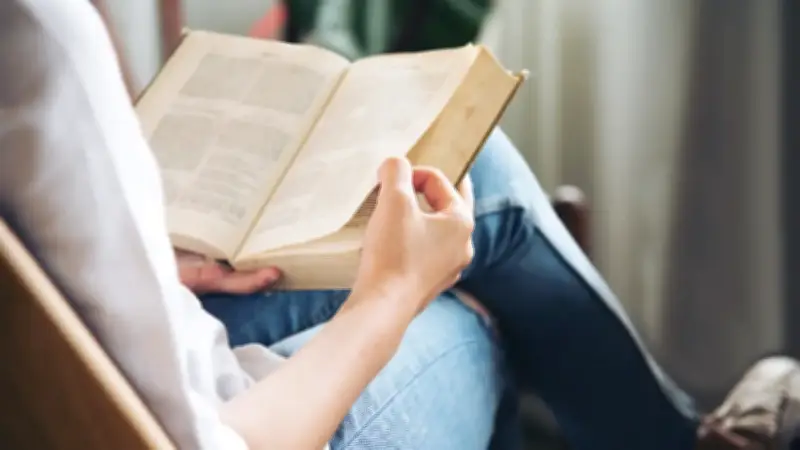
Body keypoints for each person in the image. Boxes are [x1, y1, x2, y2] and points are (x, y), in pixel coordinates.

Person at [1, 0, 796, 449]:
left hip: (104, 364)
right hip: (206, 426)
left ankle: (674, 438)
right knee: (465, 311)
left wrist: (150, 255)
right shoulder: (35, 31)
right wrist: (388, 297)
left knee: (470, 177)